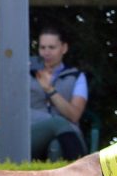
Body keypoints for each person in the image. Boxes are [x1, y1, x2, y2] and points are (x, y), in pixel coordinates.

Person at [30, 24, 89, 161]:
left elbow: (74, 115)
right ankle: (83, 167)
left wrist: (50, 90)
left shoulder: (76, 76)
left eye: (52, 47)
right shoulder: (27, 75)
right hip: (32, 134)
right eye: (42, 47)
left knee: (56, 145)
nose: (46, 52)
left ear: (64, 48)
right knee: (57, 122)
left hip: (67, 135)